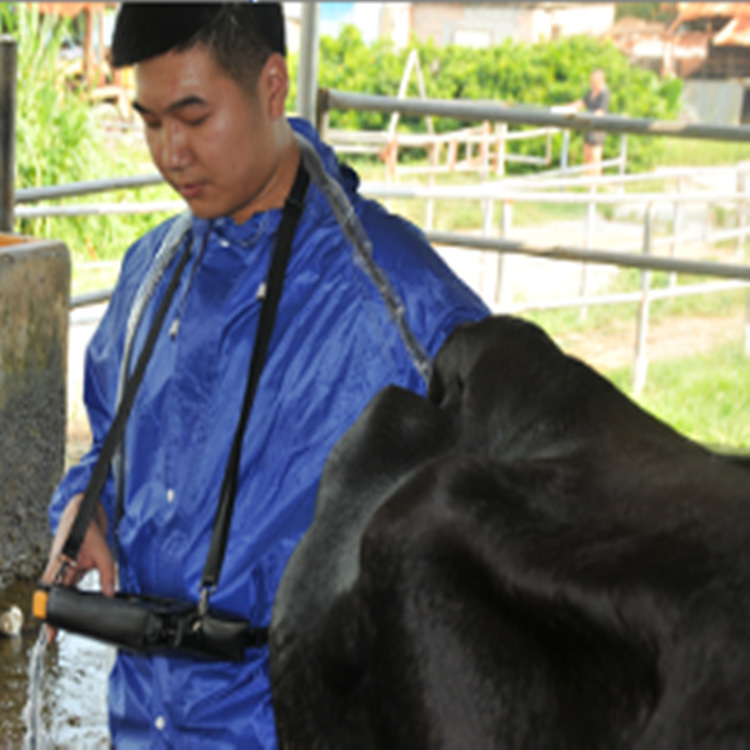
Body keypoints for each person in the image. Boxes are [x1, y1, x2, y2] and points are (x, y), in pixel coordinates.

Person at [41, 3, 488, 747]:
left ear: (273, 86)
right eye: (151, 121)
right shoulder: (149, 271)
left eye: (192, 115)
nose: (170, 153)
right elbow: (107, 457)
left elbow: (504, 509)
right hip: (140, 726)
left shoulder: (394, 297)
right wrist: (88, 504)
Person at [570, 68, 610, 177]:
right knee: (587, 156)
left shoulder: (604, 93)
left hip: (597, 130)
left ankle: (595, 184)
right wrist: (567, 108)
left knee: (595, 158)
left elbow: (601, 111)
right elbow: (582, 102)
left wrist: (589, 116)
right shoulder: (591, 91)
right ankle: (588, 183)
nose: (592, 83)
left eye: (593, 81)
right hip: (588, 128)